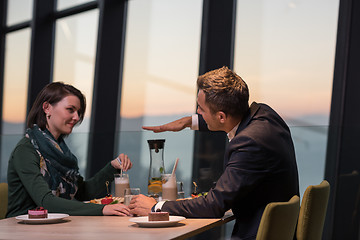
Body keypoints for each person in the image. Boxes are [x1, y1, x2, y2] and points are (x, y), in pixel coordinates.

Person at [129, 66, 299, 240]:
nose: (197, 112)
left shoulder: (248, 144)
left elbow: (214, 205)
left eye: (201, 108)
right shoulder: (266, 114)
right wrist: (189, 122)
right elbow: (223, 117)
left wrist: (157, 206)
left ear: (221, 117)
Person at [6, 82, 133, 218]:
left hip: (53, 225)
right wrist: (102, 209)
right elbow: (46, 201)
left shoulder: (60, 152)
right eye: (70, 110)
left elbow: (84, 192)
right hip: (21, 228)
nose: (77, 117)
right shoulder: (26, 150)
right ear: (47, 108)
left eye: (78, 112)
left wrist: (112, 167)